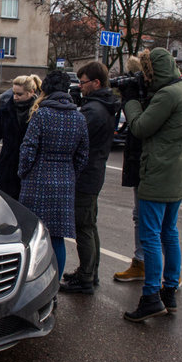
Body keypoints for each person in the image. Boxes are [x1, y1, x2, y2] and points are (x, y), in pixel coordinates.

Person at [119, 48, 182, 322]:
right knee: (169, 232)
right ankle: (169, 292)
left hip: (157, 173)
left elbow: (140, 127)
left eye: (147, 73)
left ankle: (151, 296)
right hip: (178, 173)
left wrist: (130, 100)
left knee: (150, 235)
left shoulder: (167, 95)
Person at [18, 70, 89, 279]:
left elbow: (28, 150)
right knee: (57, 238)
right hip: (65, 182)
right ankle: (54, 284)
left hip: (37, 181)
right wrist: (69, 174)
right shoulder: (79, 117)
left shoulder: (41, 114)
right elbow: (83, 155)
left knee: (34, 236)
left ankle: (35, 283)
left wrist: (23, 173)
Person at [60, 62, 118, 294]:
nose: (80, 86)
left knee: (83, 226)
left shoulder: (94, 111)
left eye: (83, 82)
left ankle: (85, 278)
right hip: (94, 172)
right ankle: (89, 272)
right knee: (89, 225)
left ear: (96, 83)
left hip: (85, 175)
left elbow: (75, 139)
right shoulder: (102, 105)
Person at [113, 56, 146, 283]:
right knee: (142, 217)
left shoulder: (153, 97)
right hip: (141, 161)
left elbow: (140, 126)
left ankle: (147, 265)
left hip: (148, 165)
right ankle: (143, 262)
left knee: (149, 219)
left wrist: (131, 99)